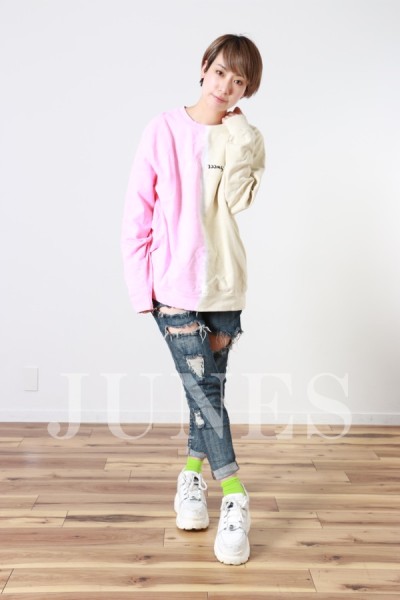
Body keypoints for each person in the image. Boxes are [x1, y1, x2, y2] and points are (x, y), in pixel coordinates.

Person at [121, 33, 265, 565]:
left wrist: (241, 135)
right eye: (222, 72)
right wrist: (141, 289)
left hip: (224, 286)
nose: (226, 86)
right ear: (204, 67)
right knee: (204, 391)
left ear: (246, 90)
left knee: (208, 392)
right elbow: (137, 212)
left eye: (240, 81)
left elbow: (238, 199)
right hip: (173, 287)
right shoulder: (161, 129)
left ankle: (189, 479)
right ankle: (235, 495)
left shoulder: (243, 137)